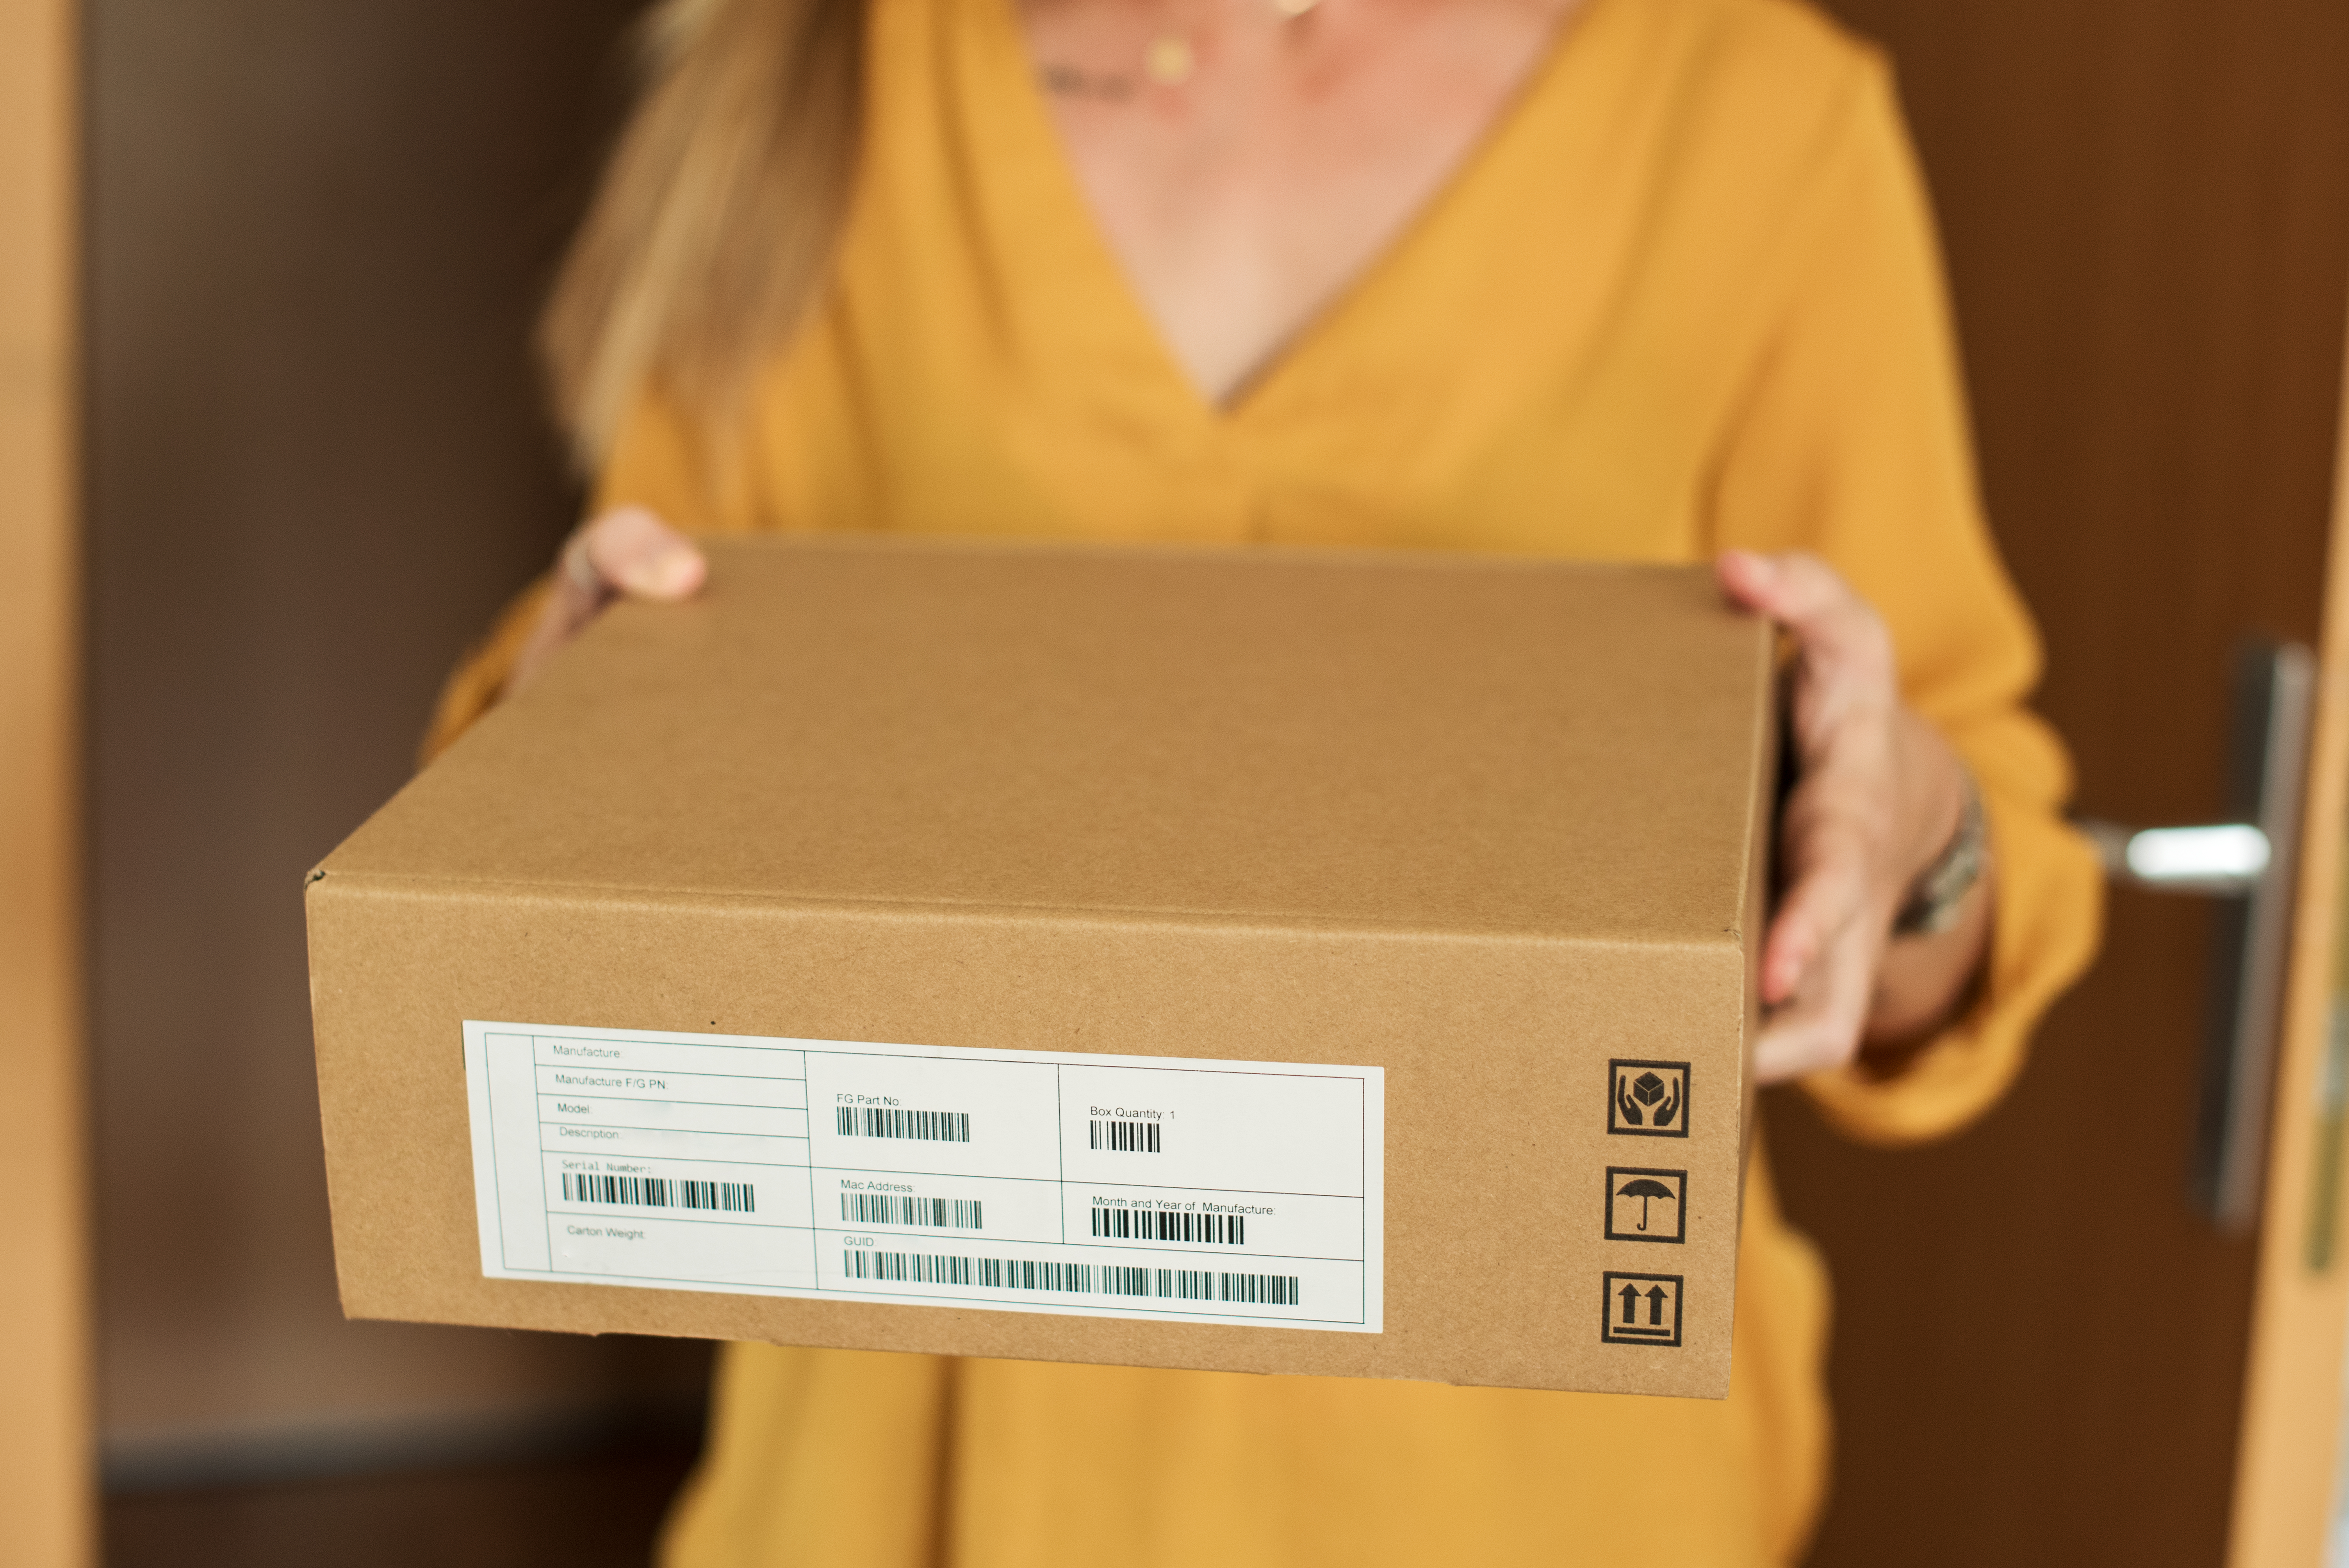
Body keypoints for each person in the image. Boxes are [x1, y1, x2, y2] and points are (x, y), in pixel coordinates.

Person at [427, 0, 2104, 1561]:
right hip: (899, 1482)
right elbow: (597, 760)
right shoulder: (824, 72)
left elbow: (1955, 912)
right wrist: (574, 746)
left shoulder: (1758, 121)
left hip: (1533, 1495)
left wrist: (1908, 837)